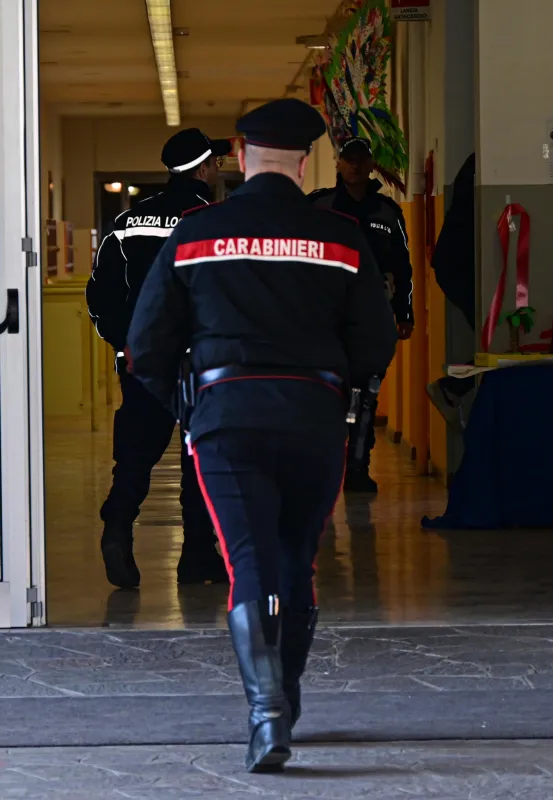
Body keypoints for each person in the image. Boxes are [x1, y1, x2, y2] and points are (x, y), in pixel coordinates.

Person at [125, 98, 397, 772]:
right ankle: (287, 701)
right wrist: (334, 381)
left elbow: (145, 345)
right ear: (306, 164)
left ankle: (266, 712)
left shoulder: (195, 235)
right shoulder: (340, 238)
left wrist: (189, 409)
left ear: (241, 159)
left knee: (250, 560)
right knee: (296, 561)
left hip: (228, 416)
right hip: (313, 417)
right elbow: (376, 341)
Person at [86, 128, 233, 589]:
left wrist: (124, 343)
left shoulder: (128, 224)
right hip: (201, 363)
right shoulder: (218, 222)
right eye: (216, 163)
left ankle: (118, 527)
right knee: (201, 459)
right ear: (204, 170)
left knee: (136, 454)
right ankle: (196, 558)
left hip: (144, 361)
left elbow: (100, 294)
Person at [309, 137, 414, 492]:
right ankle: (324, 467)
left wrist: (405, 313)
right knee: (324, 396)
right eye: (348, 159)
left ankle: (357, 468)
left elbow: (403, 267)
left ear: (371, 165)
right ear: (338, 163)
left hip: (373, 319)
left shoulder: (388, 213)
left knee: (365, 397)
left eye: (361, 160)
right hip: (324, 318)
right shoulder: (318, 207)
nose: (354, 166)